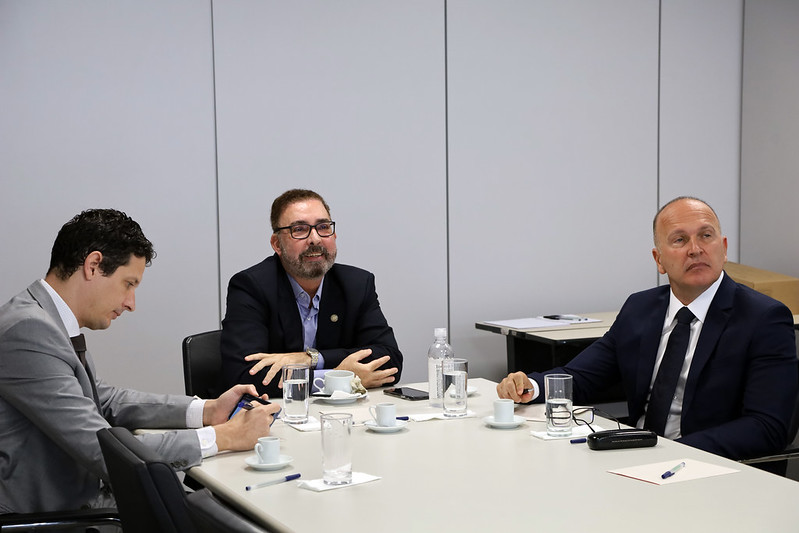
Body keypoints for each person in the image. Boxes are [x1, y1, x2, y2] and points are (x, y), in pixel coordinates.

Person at [0, 209, 280, 514]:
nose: (131, 303)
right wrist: (225, 436)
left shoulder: (45, 320)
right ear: (93, 266)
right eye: (128, 284)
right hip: (60, 514)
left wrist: (208, 410)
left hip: (87, 499)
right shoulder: (28, 330)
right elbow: (101, 448)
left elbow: (103, 400)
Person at [497, 196, 798, 461]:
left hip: (706, 468)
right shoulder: (641, 309)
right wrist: (530, 387)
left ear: (724, 247)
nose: (695, 249)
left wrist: (669, 452)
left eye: (706, 236)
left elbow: (768, 427)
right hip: (635, 459)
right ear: (659, 260)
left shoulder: (763, 318)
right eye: (680, 240)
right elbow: (585, 377)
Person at [220, 188, 403, 398]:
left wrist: (310, 359)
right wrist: (336, 377)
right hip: (277, 419)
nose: (315, 239)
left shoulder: (357, 284)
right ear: (276, 244)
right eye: (299, 229)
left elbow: (390, 362)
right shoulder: (252, 286)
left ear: (334, 235)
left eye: (323, 227)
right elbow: (244, 376)